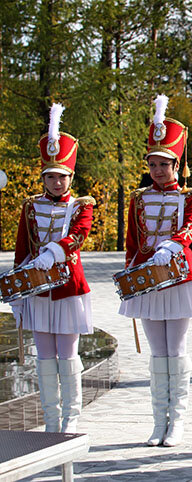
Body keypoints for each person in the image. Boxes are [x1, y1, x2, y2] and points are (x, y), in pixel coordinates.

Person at [119, 95, 192, 447]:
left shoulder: (191, 195)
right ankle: (159, 420)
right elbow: (131, 241)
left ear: (177, 165)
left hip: (178, 277)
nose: (157, 170)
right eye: (153, 164)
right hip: (146, 280)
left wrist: (175, 243)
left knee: (177, 348)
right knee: (158, 353)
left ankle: (178, 420)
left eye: (164, 164)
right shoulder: (138, 198)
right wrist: (131, 277)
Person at [11, 103, 95, 433]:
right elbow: (21, 248)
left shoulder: (82, 205)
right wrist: (18, 290)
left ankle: (71, 417)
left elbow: (78, 237)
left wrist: (52, 251)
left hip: (68, 288)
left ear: (70, 177)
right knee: (44, 357)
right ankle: (50, 419)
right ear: (43, 177)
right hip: (36, 290)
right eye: (50, 176)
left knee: (67, 354)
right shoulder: (30, 206)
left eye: (61, 177)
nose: (56, 182)